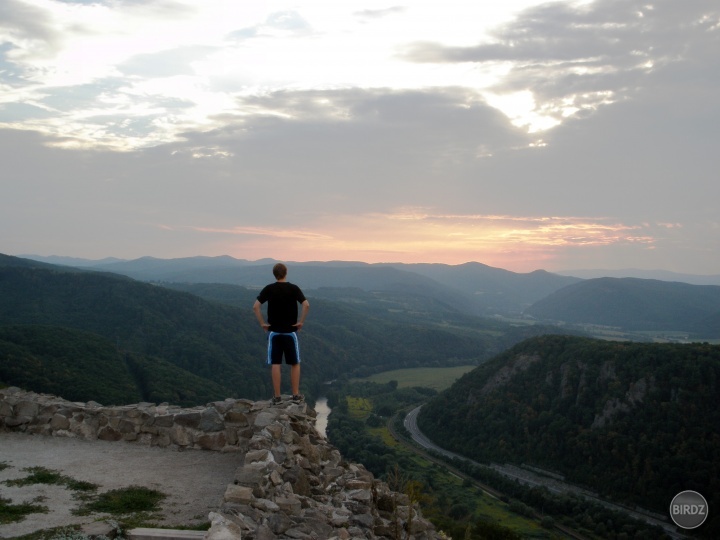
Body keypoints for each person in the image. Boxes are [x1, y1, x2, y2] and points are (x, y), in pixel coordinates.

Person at [253, 263, 310, 404]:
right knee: (295, 363)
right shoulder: (293, 288)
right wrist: (300, 321)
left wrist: (262, 323)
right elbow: (306, 305)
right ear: (286, 273)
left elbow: (255, 306)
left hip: (274, 332)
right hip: (290, 332)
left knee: (275, 363)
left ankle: (277, 397)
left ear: (274, 274)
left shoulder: (269, 289)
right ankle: (295, 395)